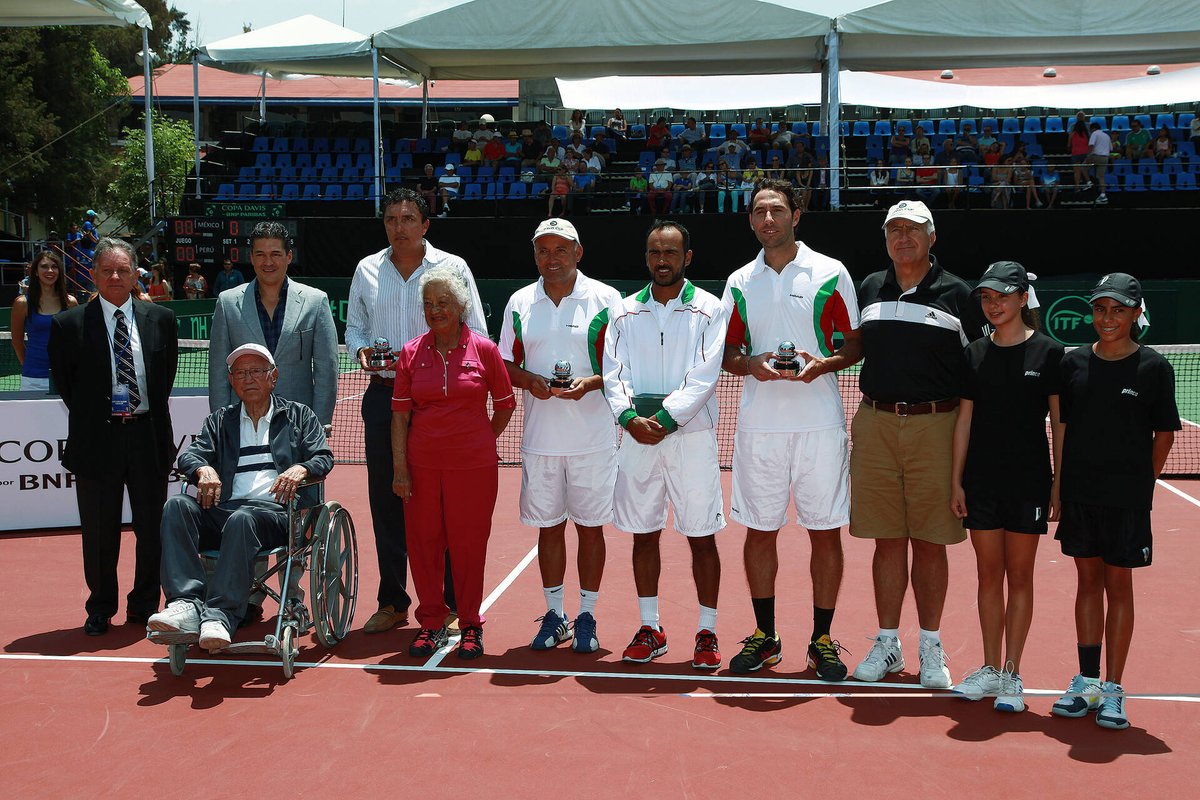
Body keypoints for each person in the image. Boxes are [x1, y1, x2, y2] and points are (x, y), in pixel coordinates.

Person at [721, 180, 862, 679]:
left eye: (776, 210)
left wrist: (824, 365)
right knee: (759, 532)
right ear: (750, 220)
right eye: (759, 212)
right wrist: (751, 364)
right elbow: (729, 352)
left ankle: (821, 639)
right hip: (760, 428)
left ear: (796, 215)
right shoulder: (739, 280)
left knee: (825, 532)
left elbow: (855, 344)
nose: (767, 220)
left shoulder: (831, 272)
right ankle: (766, 636)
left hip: (820, 425)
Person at [849, 200, 987, 688]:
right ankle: (887, 642)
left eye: (913, 229)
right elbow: (852, 348)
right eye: (894, 230)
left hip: (937, 426)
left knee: (930, 543)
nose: (902, 238)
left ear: (933, 237)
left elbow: (981, 365)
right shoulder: (869, 287)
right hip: (876, 424)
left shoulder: (959, 294)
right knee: (887, 542)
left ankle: (931, 644)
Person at [346, 188, 489, 636]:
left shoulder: (454, 268)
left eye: (408, 219)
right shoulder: (366, 270)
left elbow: (478, 332)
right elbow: (354, 329)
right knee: (388, 501)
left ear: (425, 225)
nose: (399, 227)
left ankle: (446, 603)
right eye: (391, 219)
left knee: (441, 505)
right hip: (384, 399)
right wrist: (363, 352)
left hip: (437, 406)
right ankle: (392, 601)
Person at [1049, 273, 1179, 731]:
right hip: (1081, 493)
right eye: (1101, 309)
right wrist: (1059, 487)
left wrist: (1145, 479)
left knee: (1118, 586)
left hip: (1125, 498)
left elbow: (1165, 431)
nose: (1107, 318)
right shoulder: (1073, 364)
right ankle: (1085, 681)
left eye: (1118, 310)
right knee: (1088, 582)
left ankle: (1113, 689)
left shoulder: (1153, 367)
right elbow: (1061, 428)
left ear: (1136, 314)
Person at [147, 343, 334, 651]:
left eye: (257, 371)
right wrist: (203, 469)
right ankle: (186, 604)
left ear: (273, 377)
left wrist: (300, 468)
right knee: (177, 505)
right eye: (240, 373)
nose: (249, 378)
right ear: (231, 381)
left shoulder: (300, 416)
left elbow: (323, 458)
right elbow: (191, 456)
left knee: (242, 518)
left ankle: (220, 614)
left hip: (276, 515)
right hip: (226, 512)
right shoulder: (220, 421)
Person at [601, 220, 727, 670]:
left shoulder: (711, 309)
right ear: (646, 256)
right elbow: (613, 373)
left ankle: (707, 631)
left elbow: (705, 374)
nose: (662, 260)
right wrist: (631, 419)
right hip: (637, 438)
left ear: (687, 257)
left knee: (701, 538)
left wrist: (668, 417)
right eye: (655, 251)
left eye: (671, 252)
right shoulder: (622, 311)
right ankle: (650, 627)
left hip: (690, 438)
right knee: (643, 534)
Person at [499, 219, 623, 653]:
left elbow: (622, 366)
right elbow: (504, 365)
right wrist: (530, 380)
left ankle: (587, 615)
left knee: (591, 530)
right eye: (543, 251)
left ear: (578, 252)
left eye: (560, 250)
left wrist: (590, 384)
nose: (551, 259)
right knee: (548, 530)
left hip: (594, 440)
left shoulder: (607, 299)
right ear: (535, 255)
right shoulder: (520, 301)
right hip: (540, 440)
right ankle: (556, 616)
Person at [949, 261, 1065, 713]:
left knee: (1019, 577)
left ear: (1022, 299)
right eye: (987, 297)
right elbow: (963, 421)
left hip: (1030, 483)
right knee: (986, 575)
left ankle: (1012, 675)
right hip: (981, 482)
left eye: (1002, 296)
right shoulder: (974, 353)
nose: (993, 304)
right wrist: (956, 481)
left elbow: (1059, 422)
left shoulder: (1050, 354)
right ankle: (989, 668)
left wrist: (1059, 483)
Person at [48, 237, 179, 635]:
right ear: (94, 275)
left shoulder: (161, 319)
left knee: (151, 528)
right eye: (107, 270)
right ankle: (101, 605)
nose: (116, 277)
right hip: (96, 440)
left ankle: (143, 604)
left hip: (146, 436)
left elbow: (164, 379)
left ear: (135, 272)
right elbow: (68, 387)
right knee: (100, 531)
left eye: (123, 269)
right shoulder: (68, 325)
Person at [391, 266, 515, 660]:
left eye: (443, 302)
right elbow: (399, 417)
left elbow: (506, 404)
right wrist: (400, 469)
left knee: (468, 546)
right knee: (424, 545)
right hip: (422, 466)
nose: (435, 310)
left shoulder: (485, 350)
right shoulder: (411, 352)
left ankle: (470, 625)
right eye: (428, 304)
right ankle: (429, 623)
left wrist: (480, 440)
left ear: (460, 306)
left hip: (474, 469)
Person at [208, 222, 338, 429]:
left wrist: (319, 424)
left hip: (299, 424)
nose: (268, 262)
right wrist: (220, 425)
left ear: (288, 257)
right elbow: (218, 372)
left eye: (276, 254)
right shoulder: (227, 303)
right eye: (260, 254)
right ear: (251, 258)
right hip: (242, 423)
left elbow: (326, 372)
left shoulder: (316, 301)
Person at [10, 250, 78, 391]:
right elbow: (17, 341)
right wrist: (30, 365)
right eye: (44, 266)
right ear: (35, 272)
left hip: (66, 378)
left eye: (54, 266)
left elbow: (76, 340)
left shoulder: (70, 303)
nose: (50, 270)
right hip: (33, 380)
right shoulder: (22, 303)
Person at [1087, 121, 1111, 204]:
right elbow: (1110, 149)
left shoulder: (1094, 134)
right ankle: (1103, 195)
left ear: (1093, 129)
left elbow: (1091, 145)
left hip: (1096, 156)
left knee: (1082, 166)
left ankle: (1088, 182)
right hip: (1105, 158)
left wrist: (1088, 156)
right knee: (1101, 177)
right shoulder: (1107, 135)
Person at [1069, 117, 1091, 190]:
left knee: (1076, 171)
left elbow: (1069, 144)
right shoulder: (1086, 135)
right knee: (1084, 169)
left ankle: (1077, 186)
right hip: (1085, 153)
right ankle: (1087, 182)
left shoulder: (1072, 134)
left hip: (1076, 153)